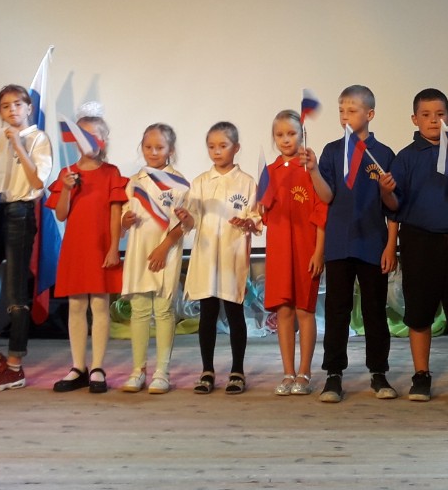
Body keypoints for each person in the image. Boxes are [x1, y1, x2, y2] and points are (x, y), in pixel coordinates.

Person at [305, 85, 398, 403]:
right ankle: (333, 374)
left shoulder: (383, 154)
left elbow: (393, 206)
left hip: (373, 243)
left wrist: (391, 245)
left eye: (352, 110)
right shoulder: (332, 151)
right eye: (341, 110)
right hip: (339, 243)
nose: (345, 115)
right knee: (337, 311)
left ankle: (379, 372)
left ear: (369, 114)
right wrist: (313, 171)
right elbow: (326, 195)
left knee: (374, 311)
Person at [388, 88, 448, 403]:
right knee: (419, 312)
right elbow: (394, 205)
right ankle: (421, 375)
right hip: (418, 241)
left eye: (439, 115)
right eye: (426, 115)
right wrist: (386, 192)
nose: (433, 120)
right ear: (414, 119)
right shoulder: (405, 158)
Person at [0, 84, 53, 391]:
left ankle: (15, 366)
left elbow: (38, 182)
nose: (12, 109)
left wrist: (18, 145)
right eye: (5, 106)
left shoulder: (38, 138)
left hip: (20, 212)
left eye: (18, 104)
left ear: (29, 108)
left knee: (16, 294)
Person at [45, 104, 126, 394]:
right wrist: (67, 188)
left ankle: (98, 367)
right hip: (76, 248)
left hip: (101, 247)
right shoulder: (68, 174)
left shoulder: (111, 173)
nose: (88, 142)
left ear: (103, 140)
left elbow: (116, 215)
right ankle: (78, 366)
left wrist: (114, 248)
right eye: (83, 136)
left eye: (94, 136)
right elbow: (61, 214)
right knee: (77, 305)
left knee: (100, 305)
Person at [177, 121, 259, 395]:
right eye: (211, 146)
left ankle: (237, 371)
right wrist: (186, 218)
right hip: (206, 258)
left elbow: (255, 218)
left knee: (235, 314)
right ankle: (207, 371)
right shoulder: (200, 182)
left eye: (223, 146)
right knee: (208, 315)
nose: (217, 151)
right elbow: (192, 220)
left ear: (236, 148)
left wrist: (248, 223)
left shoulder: (246, 182)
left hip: (232, 258)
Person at [260, 110, 326, 396]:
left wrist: (319, 252)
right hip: (279, 254)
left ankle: (305, 372)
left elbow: (322, 211)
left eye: (291, 133)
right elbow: (264, 215)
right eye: (280, 135)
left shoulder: (311, 169)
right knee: (284, 311)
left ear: (302, 135)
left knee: (304, 310)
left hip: (305, 250)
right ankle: (288, 372)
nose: (285, 139)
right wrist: (258, 209)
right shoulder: (269, 172)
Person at [118, 123, 186, 395]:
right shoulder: (135, 181)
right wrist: (125, 220)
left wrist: (164, 247)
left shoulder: (178, 183)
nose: (153, 152)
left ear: (170, 150)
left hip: (166, 253)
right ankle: (138, 370)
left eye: (159, 147)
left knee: (164, 310)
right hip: (139, 253)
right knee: (140, 311)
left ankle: (162, 372)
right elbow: (123, 218)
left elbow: (184, 223)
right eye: (148, 147)